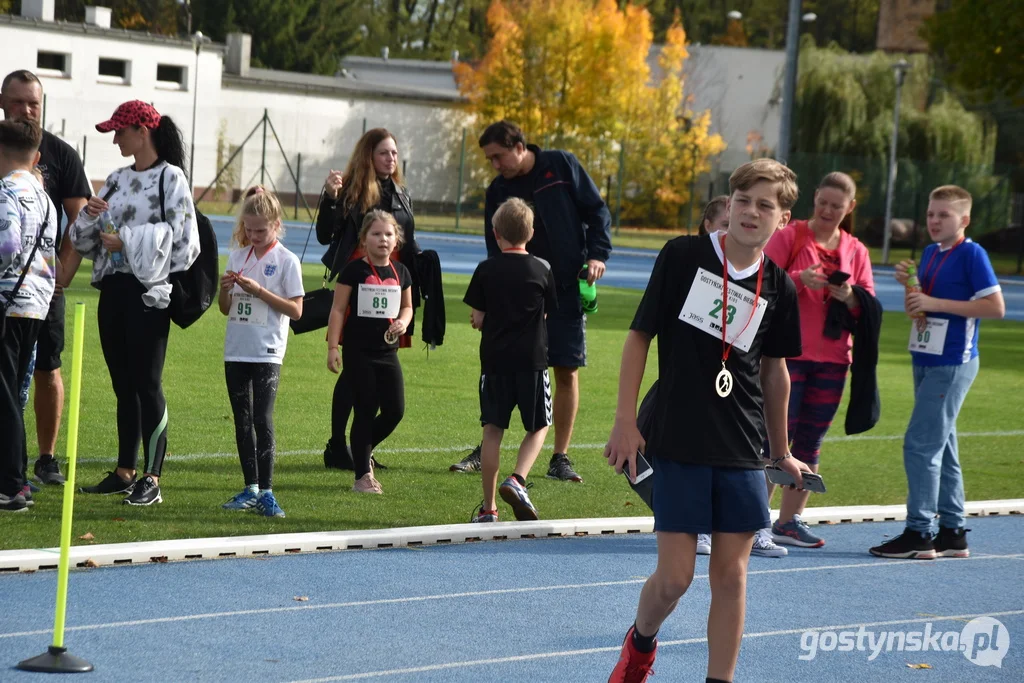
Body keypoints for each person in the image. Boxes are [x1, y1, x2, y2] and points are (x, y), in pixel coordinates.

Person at [604, 159, 810, 683]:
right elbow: (638, 337)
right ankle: (641, 643)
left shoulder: (779, 287)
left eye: (766, 205)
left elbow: (775, 372)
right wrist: (625, 421)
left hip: (742, 446)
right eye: (743, 200)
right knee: (675, 578)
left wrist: (780, 449)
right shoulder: (683, 255)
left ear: (782, 219)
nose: (751, 212)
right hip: (676, 438)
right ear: (730, 204)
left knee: (732, 576)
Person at [450, 120, 612, 482]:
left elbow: (596, 210)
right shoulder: (498, 190)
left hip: (566, 286)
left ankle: (560, 457)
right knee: (503, 367)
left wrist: (597, 254)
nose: (495, 165)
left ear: (519, 145)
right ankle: (487, 447)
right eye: (489, 159)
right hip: (515, 296)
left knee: (566, 368)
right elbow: (494, 247)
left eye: (498, 156)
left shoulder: (561, 165)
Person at [70, 100, 200, 506]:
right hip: (113, 289)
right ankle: (125, 470)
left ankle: (152, 477)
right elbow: (82, 241)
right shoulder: (115, 178)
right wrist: (90, 216)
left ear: (142, 131)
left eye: (119, 131)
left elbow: (185, 242)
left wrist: (128, 239)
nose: (114, 138)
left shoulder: (171, 178)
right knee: (122, 384)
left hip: (149, 292)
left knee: (147, 383)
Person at [870, 185, 1005, 560]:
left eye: (943, 215)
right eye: (931, 213)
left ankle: (920, 533)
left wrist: (933, 301)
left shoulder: (972, 254)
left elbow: (995, 307)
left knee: (920, 445)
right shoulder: (930, 253)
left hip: (952, 362)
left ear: (964, 220)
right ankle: (952, 531)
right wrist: (911, 288)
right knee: (942, 446)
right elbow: (924, 309)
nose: (933, 220)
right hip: (925, 357)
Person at [761, 172, 875, 549]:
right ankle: (753, 519)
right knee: (773, 439)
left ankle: (789, 522)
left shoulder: (856, 250)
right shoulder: (791, 235)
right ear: (814, 199)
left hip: (834, 359)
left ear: (850, 208)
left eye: (837, 206)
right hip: (786, 357)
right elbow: (761, 279)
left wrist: (850, 296)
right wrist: (797, 278)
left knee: (810, 441)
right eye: (823, 202)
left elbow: (869, 304)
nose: (828, 211)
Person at [1, 70, 92, 488]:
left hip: (33, 290)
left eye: (33, 103)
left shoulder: (60, 154)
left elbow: (79, 219)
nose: (26, 110)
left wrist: (63, 273)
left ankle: (43, 459)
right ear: (4, 102)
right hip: (20, 289)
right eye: (18, 102)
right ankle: (12, 465)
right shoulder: (7, 148)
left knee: (45, 370)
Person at [316, 128, 418, 471]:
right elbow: (324, 234)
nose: (391, 159)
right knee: (355, 367)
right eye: (383, 153)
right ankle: (339, 446)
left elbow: (407, 239)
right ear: (368, 157)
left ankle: (357, 447)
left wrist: (422, 269)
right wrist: (329, 198)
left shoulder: (401, 193)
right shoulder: (353, 189)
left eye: (394, 153)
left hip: (392, 283)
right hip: (359, 280)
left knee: (368, 368)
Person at [464, 198, 556, 523]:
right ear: (530, 232)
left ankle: (489, 508)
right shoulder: (542, 268)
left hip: (494, 362)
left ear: (495, 233)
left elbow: (477, 317)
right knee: (541, 425)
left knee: (492, 432)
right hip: (532, 361)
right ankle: (517, 479)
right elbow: (547, 312)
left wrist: (485, 320)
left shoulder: (486, 268)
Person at [219, 186, 304, 518]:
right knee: (241, 420)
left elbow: (296, 310)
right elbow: (225, 308)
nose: (254, 235)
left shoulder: (286, 261)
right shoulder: (238, 256)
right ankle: (250, 488)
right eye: (249, 229)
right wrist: (225, 290)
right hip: (236, 348)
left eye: (261, 230)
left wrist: (259, 291)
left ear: (276, 224)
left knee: (262, 418)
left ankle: (267, 492)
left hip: (266, 350)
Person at [326, 210, 413, 494]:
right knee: (364, 409)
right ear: (364, 239)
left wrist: (403, 321)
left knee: (395, 410)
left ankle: (361, 448)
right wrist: (332, 347)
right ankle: (363, 476)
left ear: (396, 239)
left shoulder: (401, 273)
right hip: (358, 352)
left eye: (388, 234)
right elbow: (338, 309)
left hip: (388, 353)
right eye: (376, 234)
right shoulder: (353, 271)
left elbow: (408, 307)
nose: (383, 240)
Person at [0, 119, 58, 512]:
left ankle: (11, 485)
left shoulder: (6, 191)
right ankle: (16, 481)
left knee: (3, 397)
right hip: (36, 303)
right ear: (36, 156)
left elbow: (7, 244)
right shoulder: (44, 198)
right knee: (11, 394)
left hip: (7, 300)